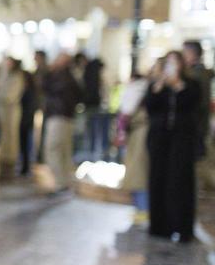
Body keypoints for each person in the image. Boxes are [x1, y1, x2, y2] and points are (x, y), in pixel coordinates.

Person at [146, 51, 201, 242]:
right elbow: (150, 107)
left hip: (182, 140)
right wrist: (160, 84)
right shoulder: (157, 85)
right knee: (158, 179)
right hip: (160, 139)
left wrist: (178, 85)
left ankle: (182, 227)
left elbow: (192, 105)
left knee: (179, 182)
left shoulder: (191, 85)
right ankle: (159, 225)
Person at [41, 52, 82, 193]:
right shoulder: (70, 76)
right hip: (64, 116)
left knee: (53, 149)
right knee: (63, 151)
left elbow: (45, 86)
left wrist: (50, 71)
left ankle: (61, 183)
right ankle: (65, 182)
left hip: (59, 116)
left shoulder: (62, 77)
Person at [116, 69, 151, 227]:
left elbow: (126, 112)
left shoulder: (139, 91)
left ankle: (143, 209)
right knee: (136, 173)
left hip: (139, 136)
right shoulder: (141, 91)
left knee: (139, 174)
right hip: (135, 135)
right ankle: (140, 208)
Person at [0, 56, 25, 181]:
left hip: (11, 113)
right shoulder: (6, 76)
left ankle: (9, 171)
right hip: (3, 114)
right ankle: (2, 170)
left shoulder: (17, 78)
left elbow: (9, 96)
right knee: (3, 141)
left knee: (10, 141)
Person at [182, 40, 212, 159]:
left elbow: (201, 104)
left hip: (194, 128)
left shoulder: (197, 75)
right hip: (196, 127)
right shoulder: (197, 73)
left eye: (184, 52)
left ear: (192, 54)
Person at [81, 55, 108, 161]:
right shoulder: (93, 76)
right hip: (95, 107)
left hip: (95, 107)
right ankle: (94, 154)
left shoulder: (90, 76)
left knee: (94, 131)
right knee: (94, 131)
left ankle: (94, 154)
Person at [18, 60, 40, 176]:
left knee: (26, 145)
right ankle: (24, 166)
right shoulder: (25, 91)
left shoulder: (29, 92)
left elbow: (30, 107)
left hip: (26, 121)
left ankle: (26, 167)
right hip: (24, 120)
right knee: (23, 145)